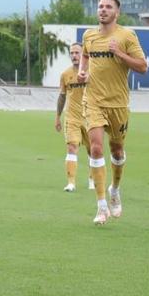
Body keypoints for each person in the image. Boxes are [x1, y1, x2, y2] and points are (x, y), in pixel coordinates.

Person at [78, 0, 148, 224]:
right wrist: (82, 70)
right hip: (93, 101)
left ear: (117, 12)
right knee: (96, 149)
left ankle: (115, 190)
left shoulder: (127, 36)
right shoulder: (89, 35)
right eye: (100, 6)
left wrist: (119, 53)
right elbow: (86, 55)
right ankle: (100, 207)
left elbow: (143, 67)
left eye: (108, 7)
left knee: (117, 151)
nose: (103, 10)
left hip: (118, 104)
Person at [55, 43, 89, 192]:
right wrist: (57, 116)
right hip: (72, 117)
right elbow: (62, 97)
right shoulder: (65, 75)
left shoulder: (91, 72)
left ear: (83, 55)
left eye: (77, 53)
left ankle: (93, 180)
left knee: (93, 150)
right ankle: (71, 183)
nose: (74, 56)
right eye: (72, 53)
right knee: (72, 147)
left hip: (90, 117)